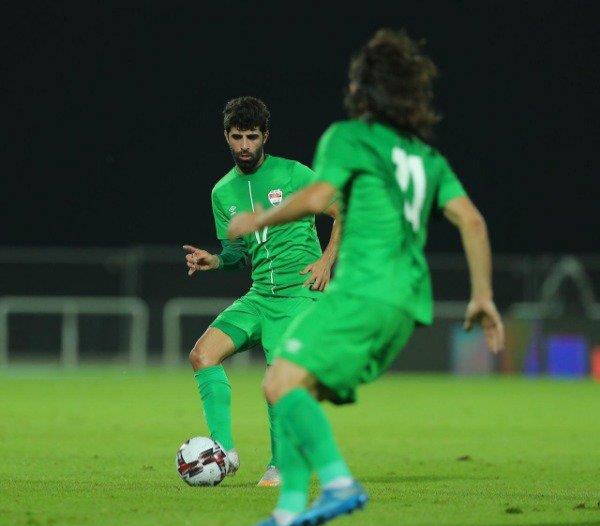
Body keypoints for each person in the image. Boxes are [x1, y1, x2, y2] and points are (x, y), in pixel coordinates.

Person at [227, 30, 504, 525]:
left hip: (362, 293)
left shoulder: (348, 138)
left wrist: (256, 220)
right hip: (406, 307)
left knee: (279, 382)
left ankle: (337, 484)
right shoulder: (428, 159)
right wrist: (482, 296)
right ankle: (289, 510)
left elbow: (317, 198)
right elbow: (473, 221)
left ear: (363, 89)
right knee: (294, 389)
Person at [183, 96, 340, 487]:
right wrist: (215, 260)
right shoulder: (222, 192)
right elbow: (237, 254)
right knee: (202, 355)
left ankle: (281, 465)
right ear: (226, 136)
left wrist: (327, 261)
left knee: (276, 383)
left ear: (265, 136)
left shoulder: (293, 173)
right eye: (237, 137)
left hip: (300, 294)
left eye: (252, 137)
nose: (244, 146)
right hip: (261, 296)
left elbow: (344, 210)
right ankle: (224, 452)